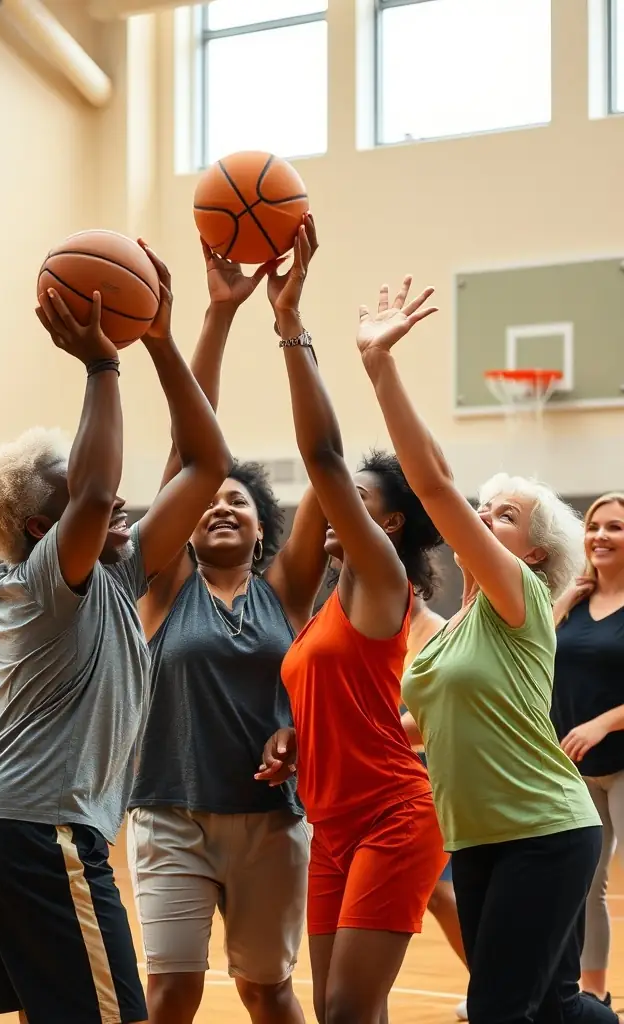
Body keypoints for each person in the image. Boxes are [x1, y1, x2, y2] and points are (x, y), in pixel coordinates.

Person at [0, 247, 233, 1024]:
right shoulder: (46, 583)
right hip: (36, 829)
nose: (117, 500)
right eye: (87, 507)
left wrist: (164, 341)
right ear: (47, 527)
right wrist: (102, 366)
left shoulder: (108, 574)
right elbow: (98, 488)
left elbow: (206, 464)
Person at [361, 274, 618, 1024]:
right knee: (550, 1008)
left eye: (504, 516)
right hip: (475, 834)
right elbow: (424, 726)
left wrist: (381, 368)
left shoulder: (521, 600)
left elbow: (434, 485)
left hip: (545, 828)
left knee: (497, 1009)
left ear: (532, 555)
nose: (482, 517)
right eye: (484, 508)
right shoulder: (446, 633)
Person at [128, 240, 328, 1024]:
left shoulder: (289, 589)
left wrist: (288, 323)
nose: (219, 505)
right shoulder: (165, 585)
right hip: (169, 812)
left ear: (261, 527)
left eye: (238, 502)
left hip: (271, 824)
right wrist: (214, 315)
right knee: (169, 992)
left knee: (266, 991)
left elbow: (324, 462)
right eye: (210, 500)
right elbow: (190, 454)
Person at [258, 218, 448, 1024]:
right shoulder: (320, 598)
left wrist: (292, 328)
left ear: (392, 525)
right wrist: (294, 731)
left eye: (358, 507)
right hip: (326, 820)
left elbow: (322, 460)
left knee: (345, 1011)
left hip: (394, 816)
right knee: (339, 1017)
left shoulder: (378, 580)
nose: (332, 512)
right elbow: (332, 689)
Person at [552, 492, 624, 1011]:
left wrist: (601, 723)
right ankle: (594, 994)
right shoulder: (571, 602)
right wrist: (561, 602)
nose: (600, 535)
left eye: (615, 528)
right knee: (586, 885)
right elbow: (529, 648)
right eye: (594, 526)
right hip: (575, 768)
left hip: (621, 761)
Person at [401, 598, 469, 1020]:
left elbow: (437, 718)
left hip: (424, 776)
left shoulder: (436, 629)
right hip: (378, 773)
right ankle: (495, 983)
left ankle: (499, 983)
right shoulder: (352, 618)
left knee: (441, 895)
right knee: (438, 897)